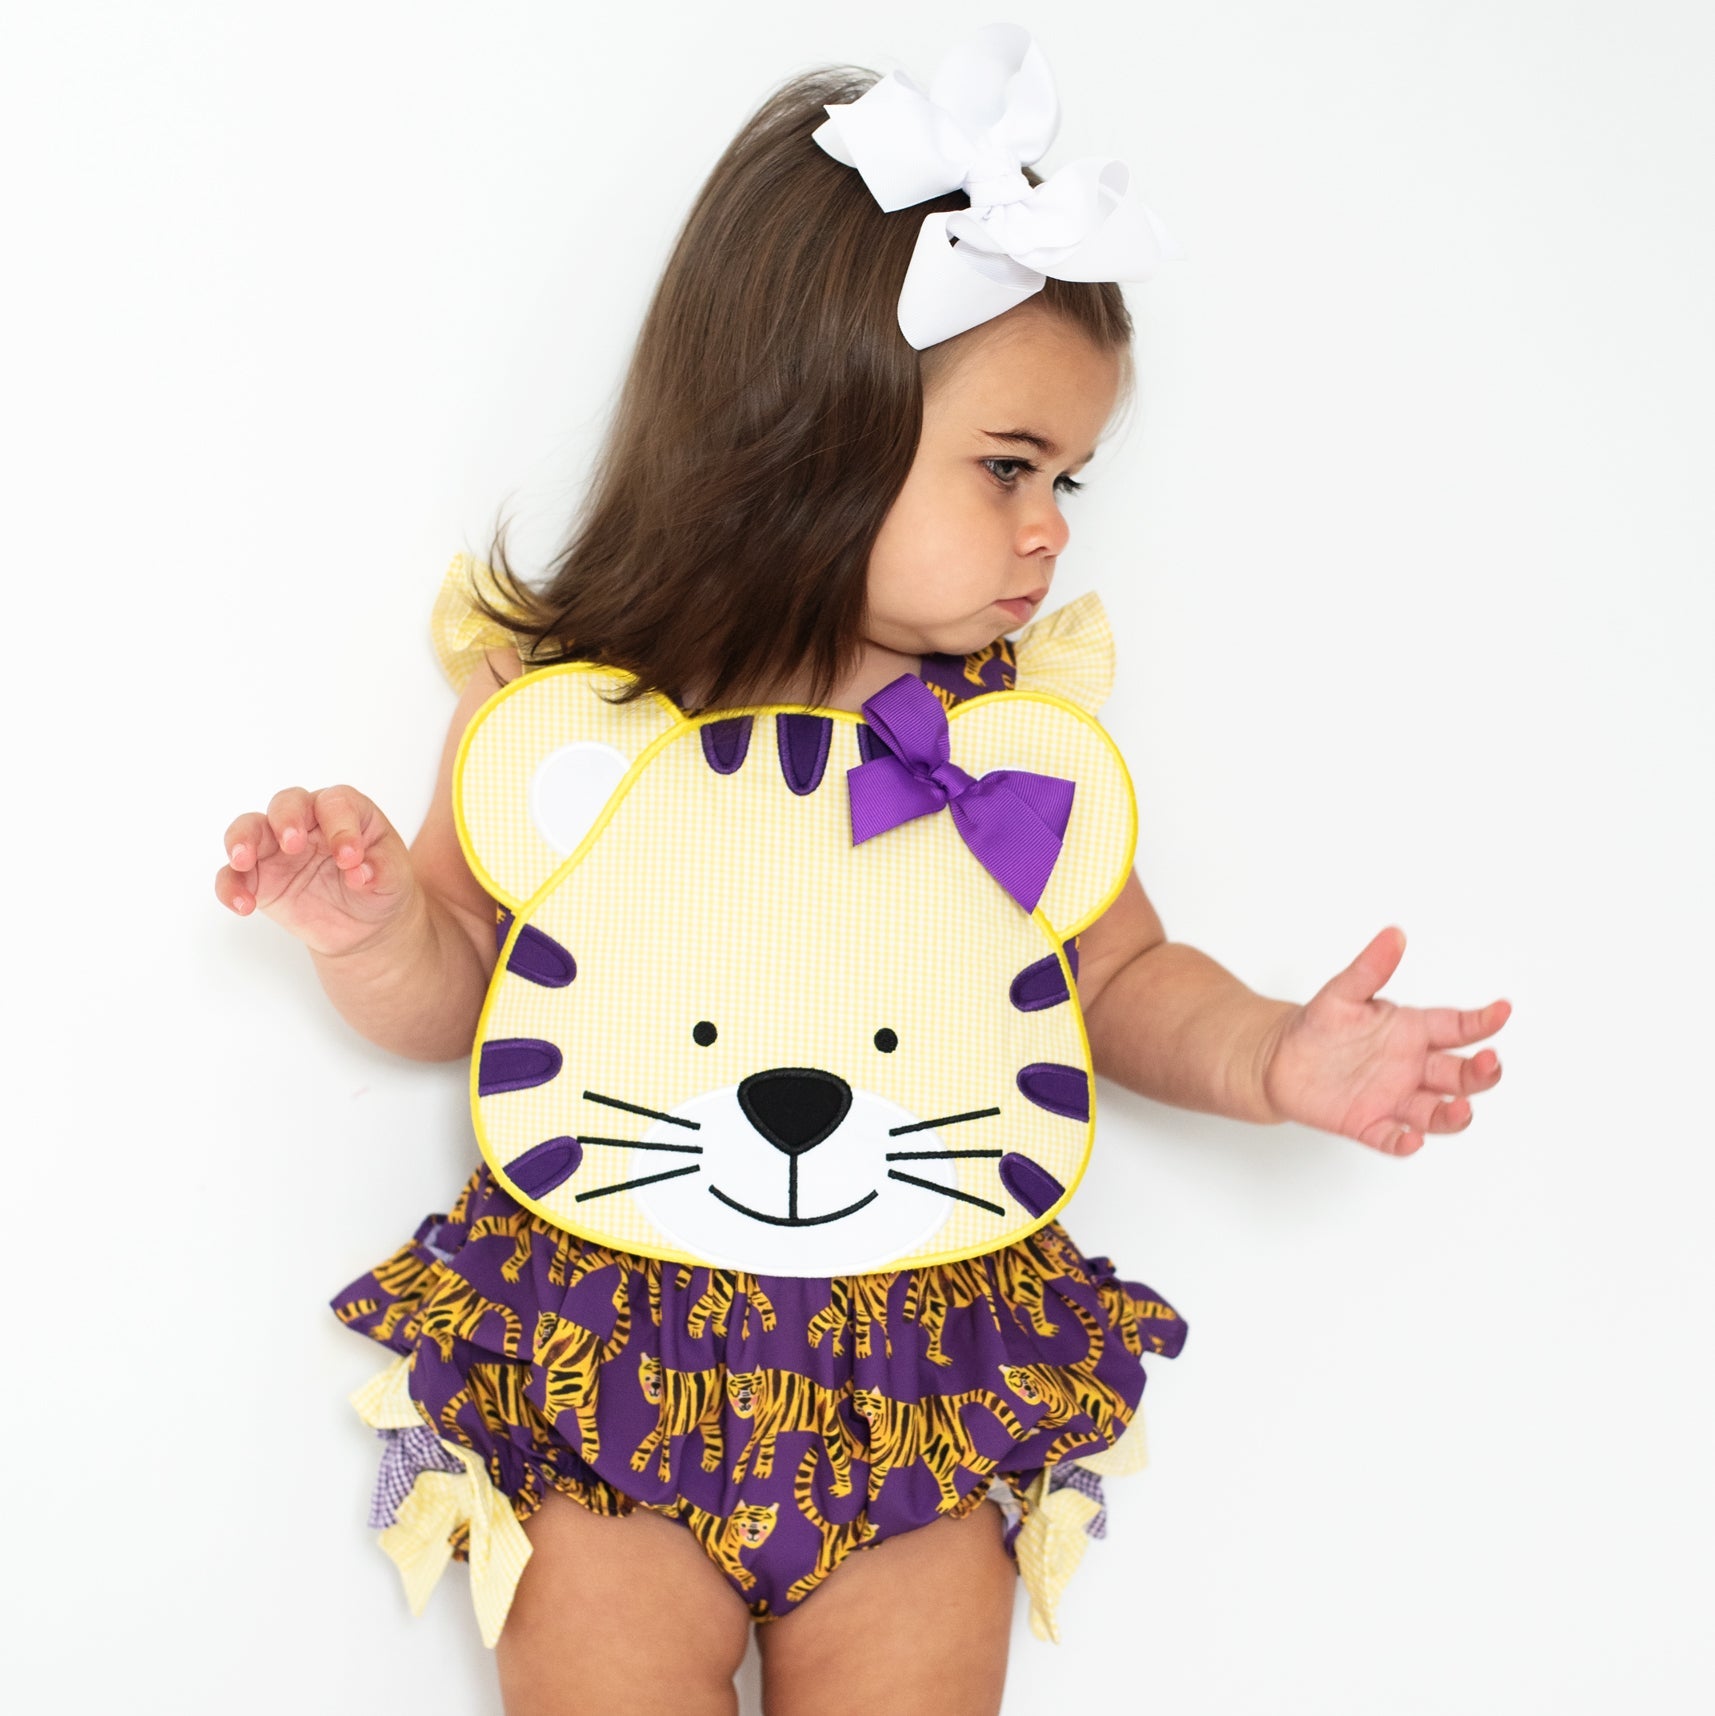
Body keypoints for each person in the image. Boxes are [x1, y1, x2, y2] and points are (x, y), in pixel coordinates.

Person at [214, 26, 1509, 1716]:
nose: (1052, 527)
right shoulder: (583, 707)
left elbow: (1118, 976)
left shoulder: (995, 742)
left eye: (1067, 480)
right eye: (1010, 466)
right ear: (811, 422)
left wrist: (1272, 1054)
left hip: (918, 1367)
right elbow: (465, 989)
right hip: (616, 1351)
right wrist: (373, 926)